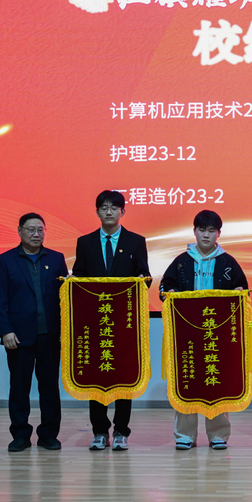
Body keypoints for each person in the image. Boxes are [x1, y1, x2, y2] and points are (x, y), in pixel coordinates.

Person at [160, 210, 248, 450]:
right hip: (186, 334)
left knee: (216, 381)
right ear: (194, 231)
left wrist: (239, 294)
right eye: (202, 230)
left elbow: (242, 290)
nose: (206, 235)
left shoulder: (228, 262)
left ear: (219, 233)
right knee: (186, 379)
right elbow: (164, 288)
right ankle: (184, 435)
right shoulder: (181, 261)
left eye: (211, 231)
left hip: (217, 335)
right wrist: (169, 294)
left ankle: (218, 434)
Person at [72, 190, 151, 451]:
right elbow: (79, 278)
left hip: (124, 324)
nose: (108, 211)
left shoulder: (136, 241)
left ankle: (121, 431)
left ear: (122, 211)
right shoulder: (85, 242)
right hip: (95, 322)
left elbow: (144, 277)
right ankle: (99, 431)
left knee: (124, 376)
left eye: (114, 207)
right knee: (96, 375)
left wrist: (142, 281)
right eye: (103, 207)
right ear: (97, 212)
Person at [0, 213, 69, 452]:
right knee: (19, 387)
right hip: (18, 336)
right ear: (19, 231)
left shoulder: (56, 258)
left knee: (49, 387)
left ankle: (48, 435)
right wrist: (5, 331)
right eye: (31, 230)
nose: (36, 234)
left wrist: (65, 330)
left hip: (50, 335)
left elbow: (65, 297)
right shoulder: (5, 260)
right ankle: (20, 435)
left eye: (40, 230)